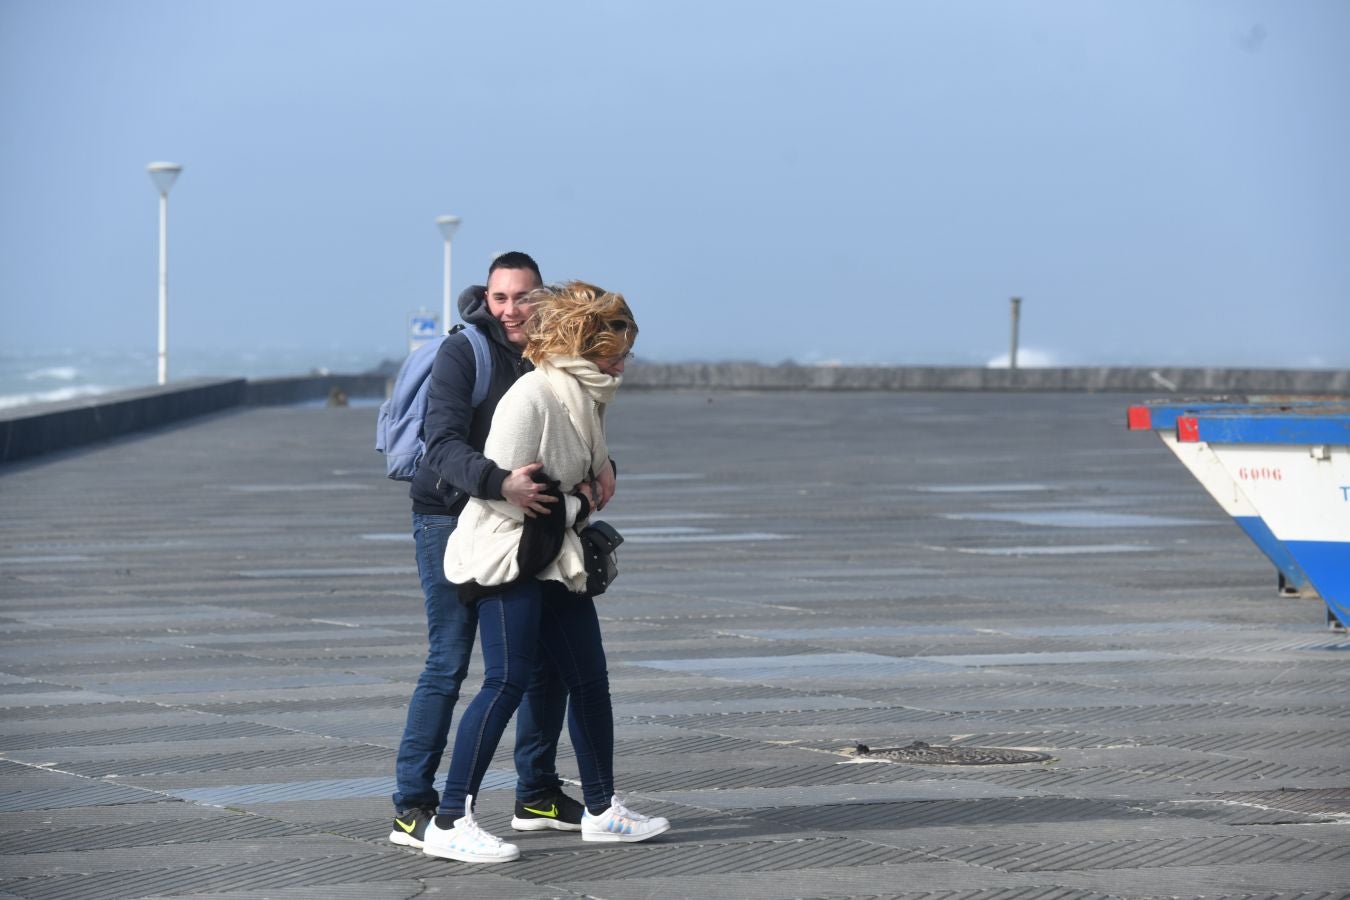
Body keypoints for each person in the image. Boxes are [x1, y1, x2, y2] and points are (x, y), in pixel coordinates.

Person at [422, 281, 670, 863]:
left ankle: (604, 811)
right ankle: (448, 819)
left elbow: (581, 471)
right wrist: (582, 500)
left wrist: (603, 471)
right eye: (618, 351)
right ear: (587, 346)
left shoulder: (587, 394)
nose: (624, 362)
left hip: (555, 556)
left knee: (589, 679)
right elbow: (512, 497)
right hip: (509, 556)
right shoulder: (532, 395)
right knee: (506, 682)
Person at [390, 252, 615, 849]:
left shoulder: (550, 352)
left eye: (523, 297)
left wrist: (604, 466)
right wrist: (500, 482)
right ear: (485, 300)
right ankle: (413, 805)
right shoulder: (466, 353)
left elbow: (566, 428)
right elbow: (439, 445)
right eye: (500, 298)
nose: (511, 309)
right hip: (452, 517)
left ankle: (536, 793)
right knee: (450, 660)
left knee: (544, 663)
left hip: (527, 523)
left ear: (545, 299)